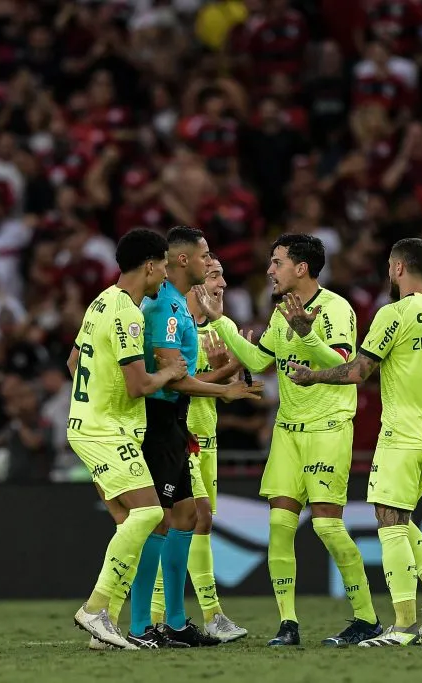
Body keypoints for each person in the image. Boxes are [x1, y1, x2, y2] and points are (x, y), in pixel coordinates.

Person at [198, 234, 382, 647]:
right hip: (287, 431)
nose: (269, 269)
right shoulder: (282, 312)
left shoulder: (336, 308)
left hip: (327, 428)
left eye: (277, 262)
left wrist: (307, 335)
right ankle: (288, 624)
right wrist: (221, 322)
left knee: (328, 526)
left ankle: (366, 619)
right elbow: (261, 360)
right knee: (279, 528)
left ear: (301, 268)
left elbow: (344, 366)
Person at [288, 238, 422, 647]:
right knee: (398, 516)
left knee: (388, 523)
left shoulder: (394, 314)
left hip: (402, 436)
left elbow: (358, 371)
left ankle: (404, 625)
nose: (389, 273)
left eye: (391, 266)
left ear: (399, 268)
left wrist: (311, 375)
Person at [126, 226, 261, 649]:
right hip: (160, 421)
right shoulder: (165, 307)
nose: (210, 263)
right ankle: (140, 625)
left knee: (185, 516)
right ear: (182, 260)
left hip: (176, 423)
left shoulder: (180, 307)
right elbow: (173, 377)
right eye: (205, 257)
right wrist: (225, 387)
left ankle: (178, 622)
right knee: (159, 520)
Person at [68, 228, 188, 650]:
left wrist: (100, 396)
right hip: (105, 430)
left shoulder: (100, 302)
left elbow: (72, 361)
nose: (167, 274)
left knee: (129, 522)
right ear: (151, 265)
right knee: (148, 515)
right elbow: (139, 386)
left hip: (88, 423)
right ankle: (96, 608)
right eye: (165, 266)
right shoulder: (128, 315)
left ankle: (106, 627)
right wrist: (171, 374)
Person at [148, 254, 249, 641]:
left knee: (190, 523)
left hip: (209, 437)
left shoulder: (223, 326)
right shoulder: (175, 323)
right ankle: (211, 614)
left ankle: (160, 617)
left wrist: (235, 374)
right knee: (194, 517)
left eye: (222, 274)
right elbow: (180, 379)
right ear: (194, 282)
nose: (221, 283)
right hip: (181, 433)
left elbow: (240, 377)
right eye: (214, 274)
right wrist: (225, 374)